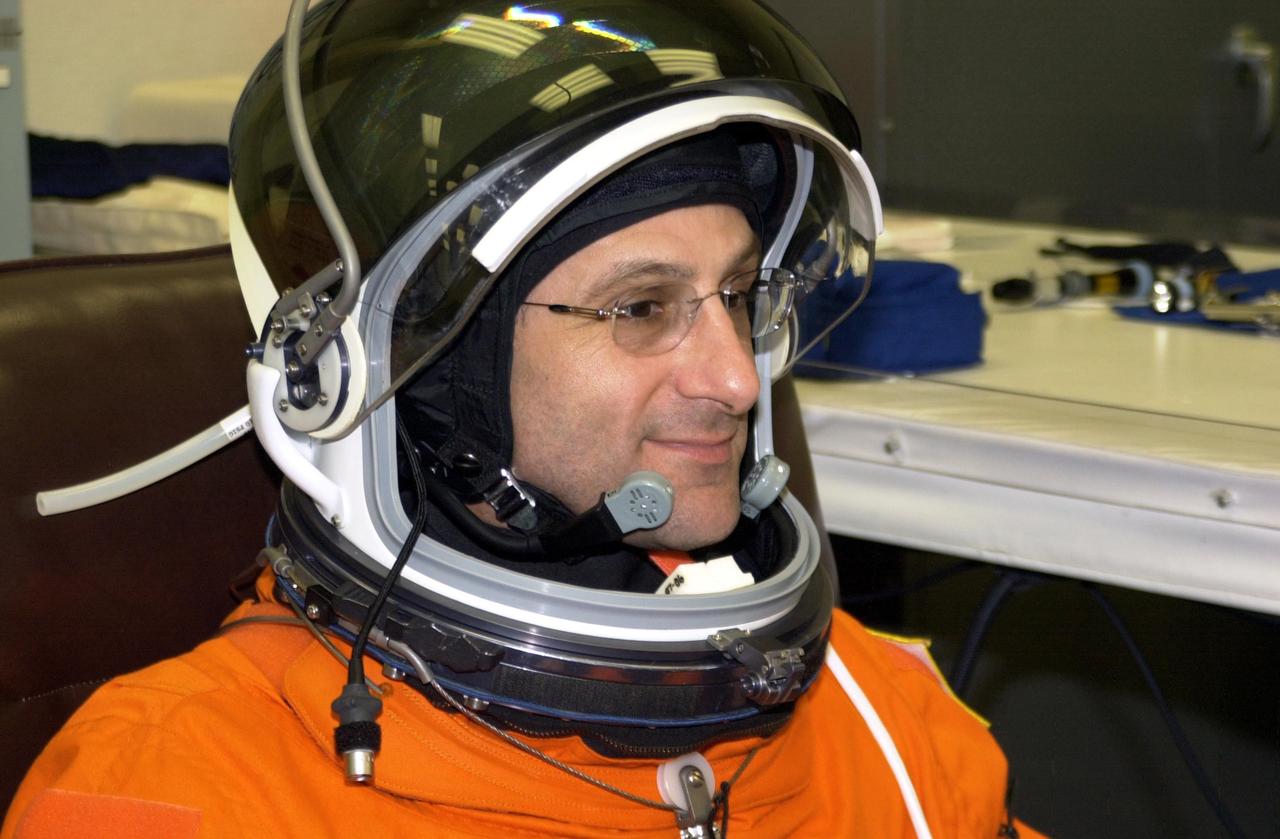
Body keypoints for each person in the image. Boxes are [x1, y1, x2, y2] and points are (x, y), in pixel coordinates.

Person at [3, 1, 1043, 836]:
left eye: (735, 294)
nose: (734, 378)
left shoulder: (885, 719)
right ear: (433, 367)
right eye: (640, 307)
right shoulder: (182, 789)